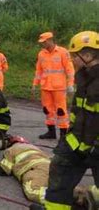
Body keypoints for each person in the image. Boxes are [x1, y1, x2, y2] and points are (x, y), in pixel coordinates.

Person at [40, 31, 99, 210]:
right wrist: (68, 139)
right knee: (59, 168)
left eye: (75, 55)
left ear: (87, 55)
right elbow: (78, 115)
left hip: (96, 147)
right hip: (77, 143)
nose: (72, 59)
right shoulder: (84, 78)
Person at [0, 136, 95, 208]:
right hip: (50, 166)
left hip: (33, 170)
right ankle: (83, 195)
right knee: (59, 185)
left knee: (32, 191)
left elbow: (3, 170)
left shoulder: (11, 150)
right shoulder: (34, 147)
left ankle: (68, 201)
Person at [32, 32, 75, 140]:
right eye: (42, 42)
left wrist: (70, 84)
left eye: (44, 42)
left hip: (59, 87)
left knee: (61, 110)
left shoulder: (63, 52)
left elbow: (69, 70)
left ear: (51, 40)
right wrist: (35, 84)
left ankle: (63, 134)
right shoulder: (41, 54)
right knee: (47, 109)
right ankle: (51, 132)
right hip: (45, 86)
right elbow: (39, 70)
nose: (43, 44)